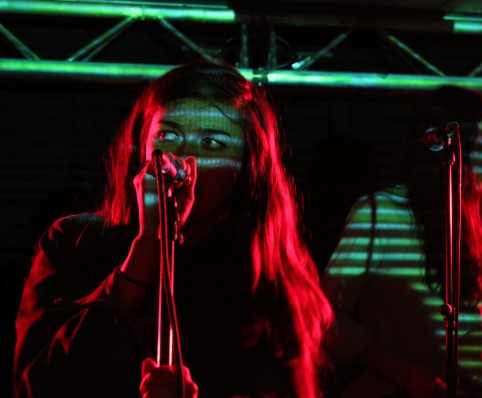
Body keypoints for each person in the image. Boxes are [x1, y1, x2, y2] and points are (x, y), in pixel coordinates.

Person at [13, 60, 333, 398]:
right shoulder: (75, 243)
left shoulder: (263, 271)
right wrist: (148, 247)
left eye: (212, 144)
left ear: (247, 166)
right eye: (168, 136)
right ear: (142, 145)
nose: (182, 160)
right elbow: (37, 386)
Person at [321, 86, 482, 398]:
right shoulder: (379, 213)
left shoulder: (479, 221)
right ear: (446, 147)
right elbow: (327, 315)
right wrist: (408, 376)